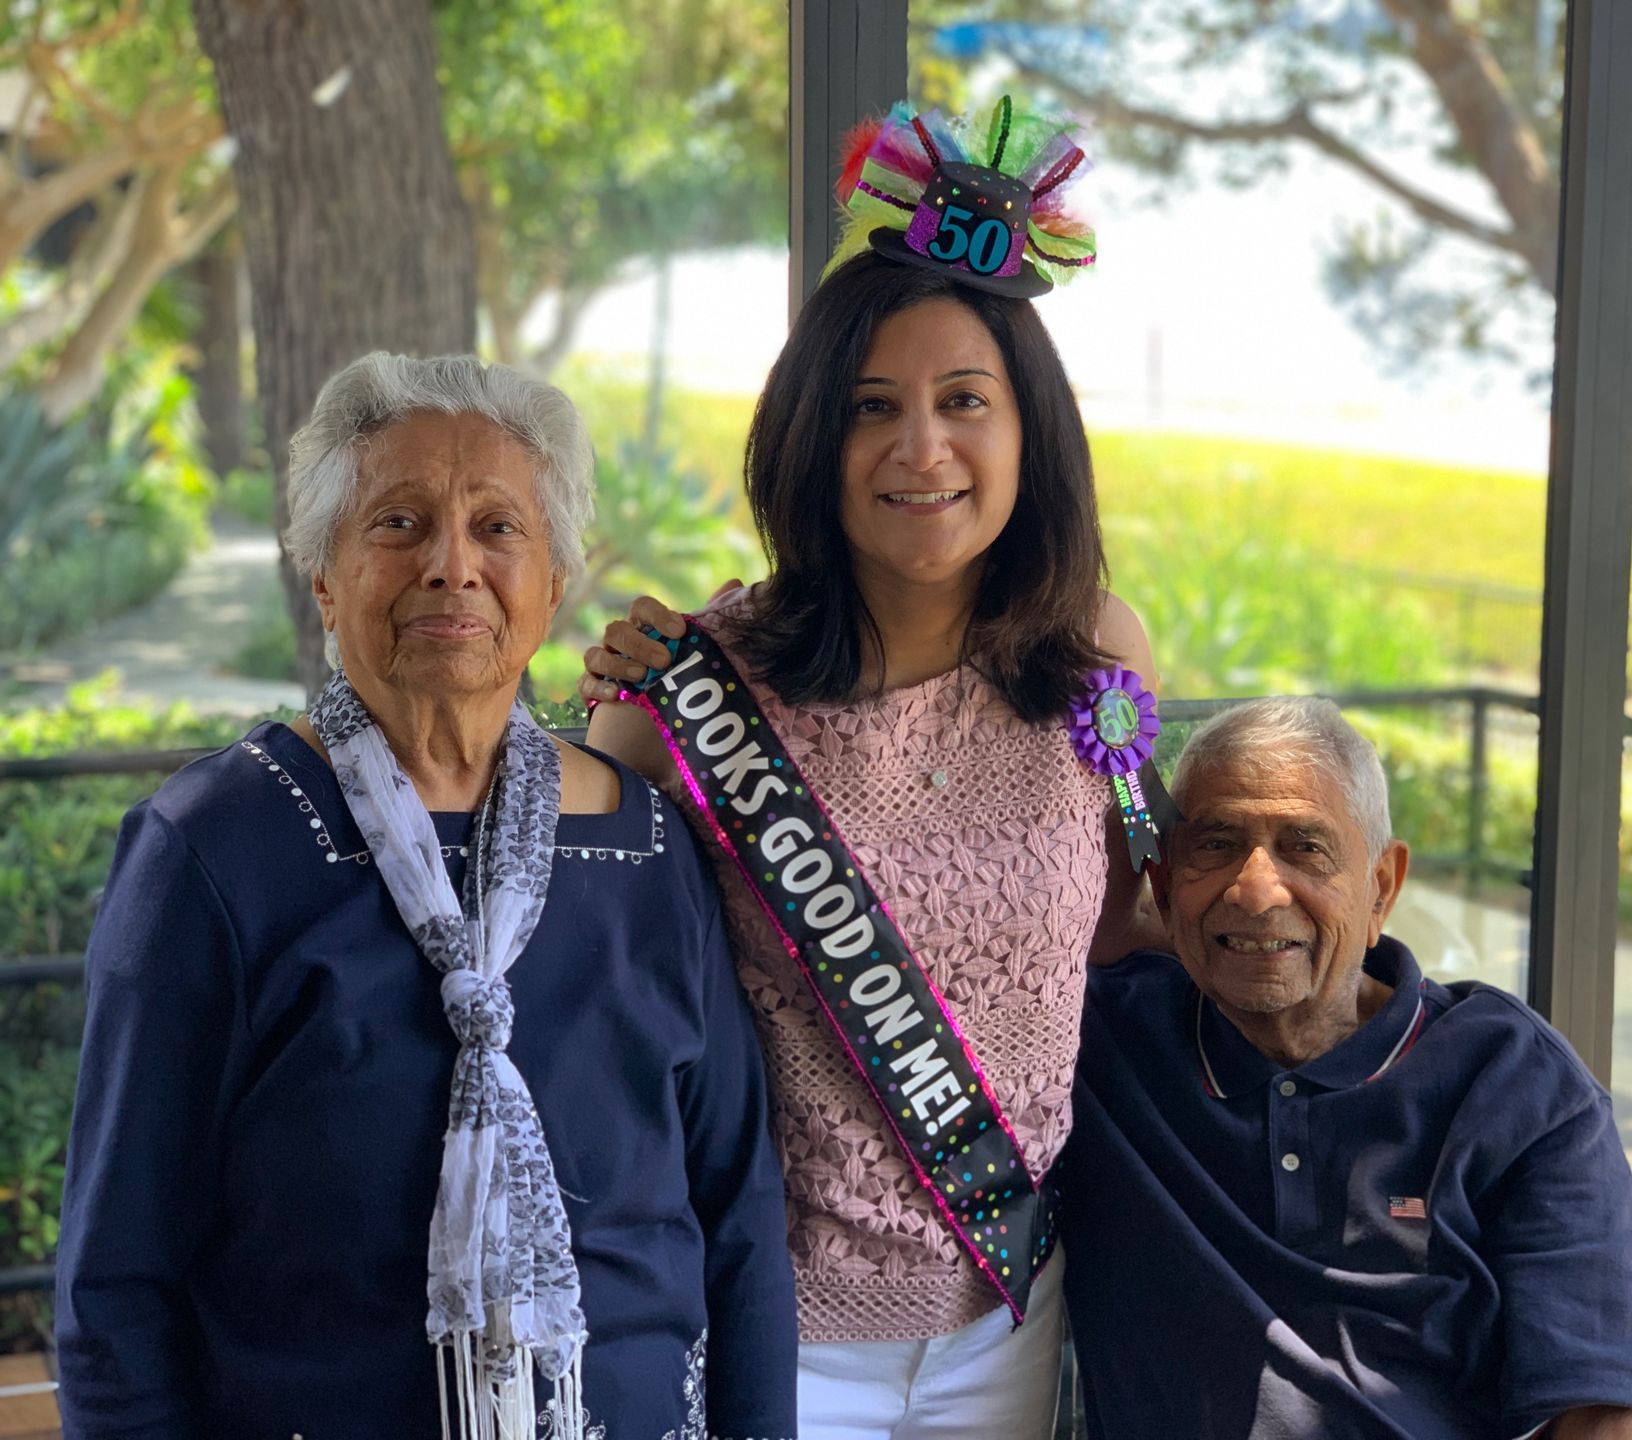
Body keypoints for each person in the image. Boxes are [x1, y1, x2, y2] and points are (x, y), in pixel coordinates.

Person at [54, 354, 797, 1440]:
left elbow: (738, 1214)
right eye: (399, 524)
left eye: (498, 528)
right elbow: (116, 1280)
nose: (452, 566)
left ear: (553, 584)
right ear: (324, 577)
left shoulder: (645, 847)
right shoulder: (212, 848)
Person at [579, 97, 1160, 1438]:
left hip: (1014, 1311)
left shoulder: (1097, 656)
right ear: (809, 439)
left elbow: (1127, 923)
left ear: (1030, 432)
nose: (921, 449)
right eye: (871, 408)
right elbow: (604, 1004)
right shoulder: (692, 695)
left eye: (966, 402)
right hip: (768, 1325)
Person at [1061, 697, 1632, 1440]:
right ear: (1166, 887)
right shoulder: (1098, 1041)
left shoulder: (1513, 1079)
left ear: (1382, 890)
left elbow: (1607, 1409)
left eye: (1305, 848)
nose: (1256, 890)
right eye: (1217, 844)